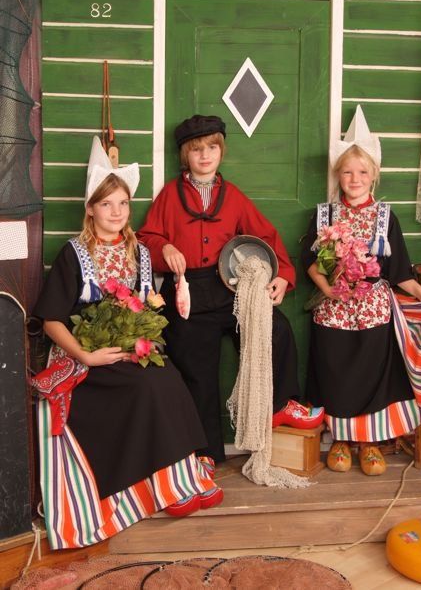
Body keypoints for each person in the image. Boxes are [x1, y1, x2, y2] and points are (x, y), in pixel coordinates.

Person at [30, 137, 222, 550]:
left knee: (169, 379)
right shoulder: (75, 254)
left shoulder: (140, 252)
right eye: (106, 205)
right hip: (84, 353)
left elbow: (145, 308)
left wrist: (143, 339)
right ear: (90, 209)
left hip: (129, 348)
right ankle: (155, 487)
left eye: (122, 204)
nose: (116, 213)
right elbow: (50, 320)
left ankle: (178, 479)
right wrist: (86, 355)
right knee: (145, 386)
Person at [137, 114, 323, 464]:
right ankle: (204, 452)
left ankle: (280, 407)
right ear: (184, 156)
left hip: (231, 290)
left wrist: (282, 274)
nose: (205, 155)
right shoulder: (169, 197)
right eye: (196, 150)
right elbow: (147, 236)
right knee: (195, 363)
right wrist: (165, 248)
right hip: (188, 293)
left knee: (276, 329)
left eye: (211, 148)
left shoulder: (233, 197)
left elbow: (265, 236)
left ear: (221, 151)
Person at [301, 107, 421, 476]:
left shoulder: (385, 217)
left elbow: (399, 272)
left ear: (374, 176)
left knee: (370, 376)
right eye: (348, 172)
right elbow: (311, 264)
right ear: (338, 175)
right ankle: (339, 439)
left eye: (362, 172)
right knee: (334, 374)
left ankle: (369, 443)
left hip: (372, 311)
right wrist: (329, 289)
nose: (355, 178)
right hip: (333, 310)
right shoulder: (325, 215)